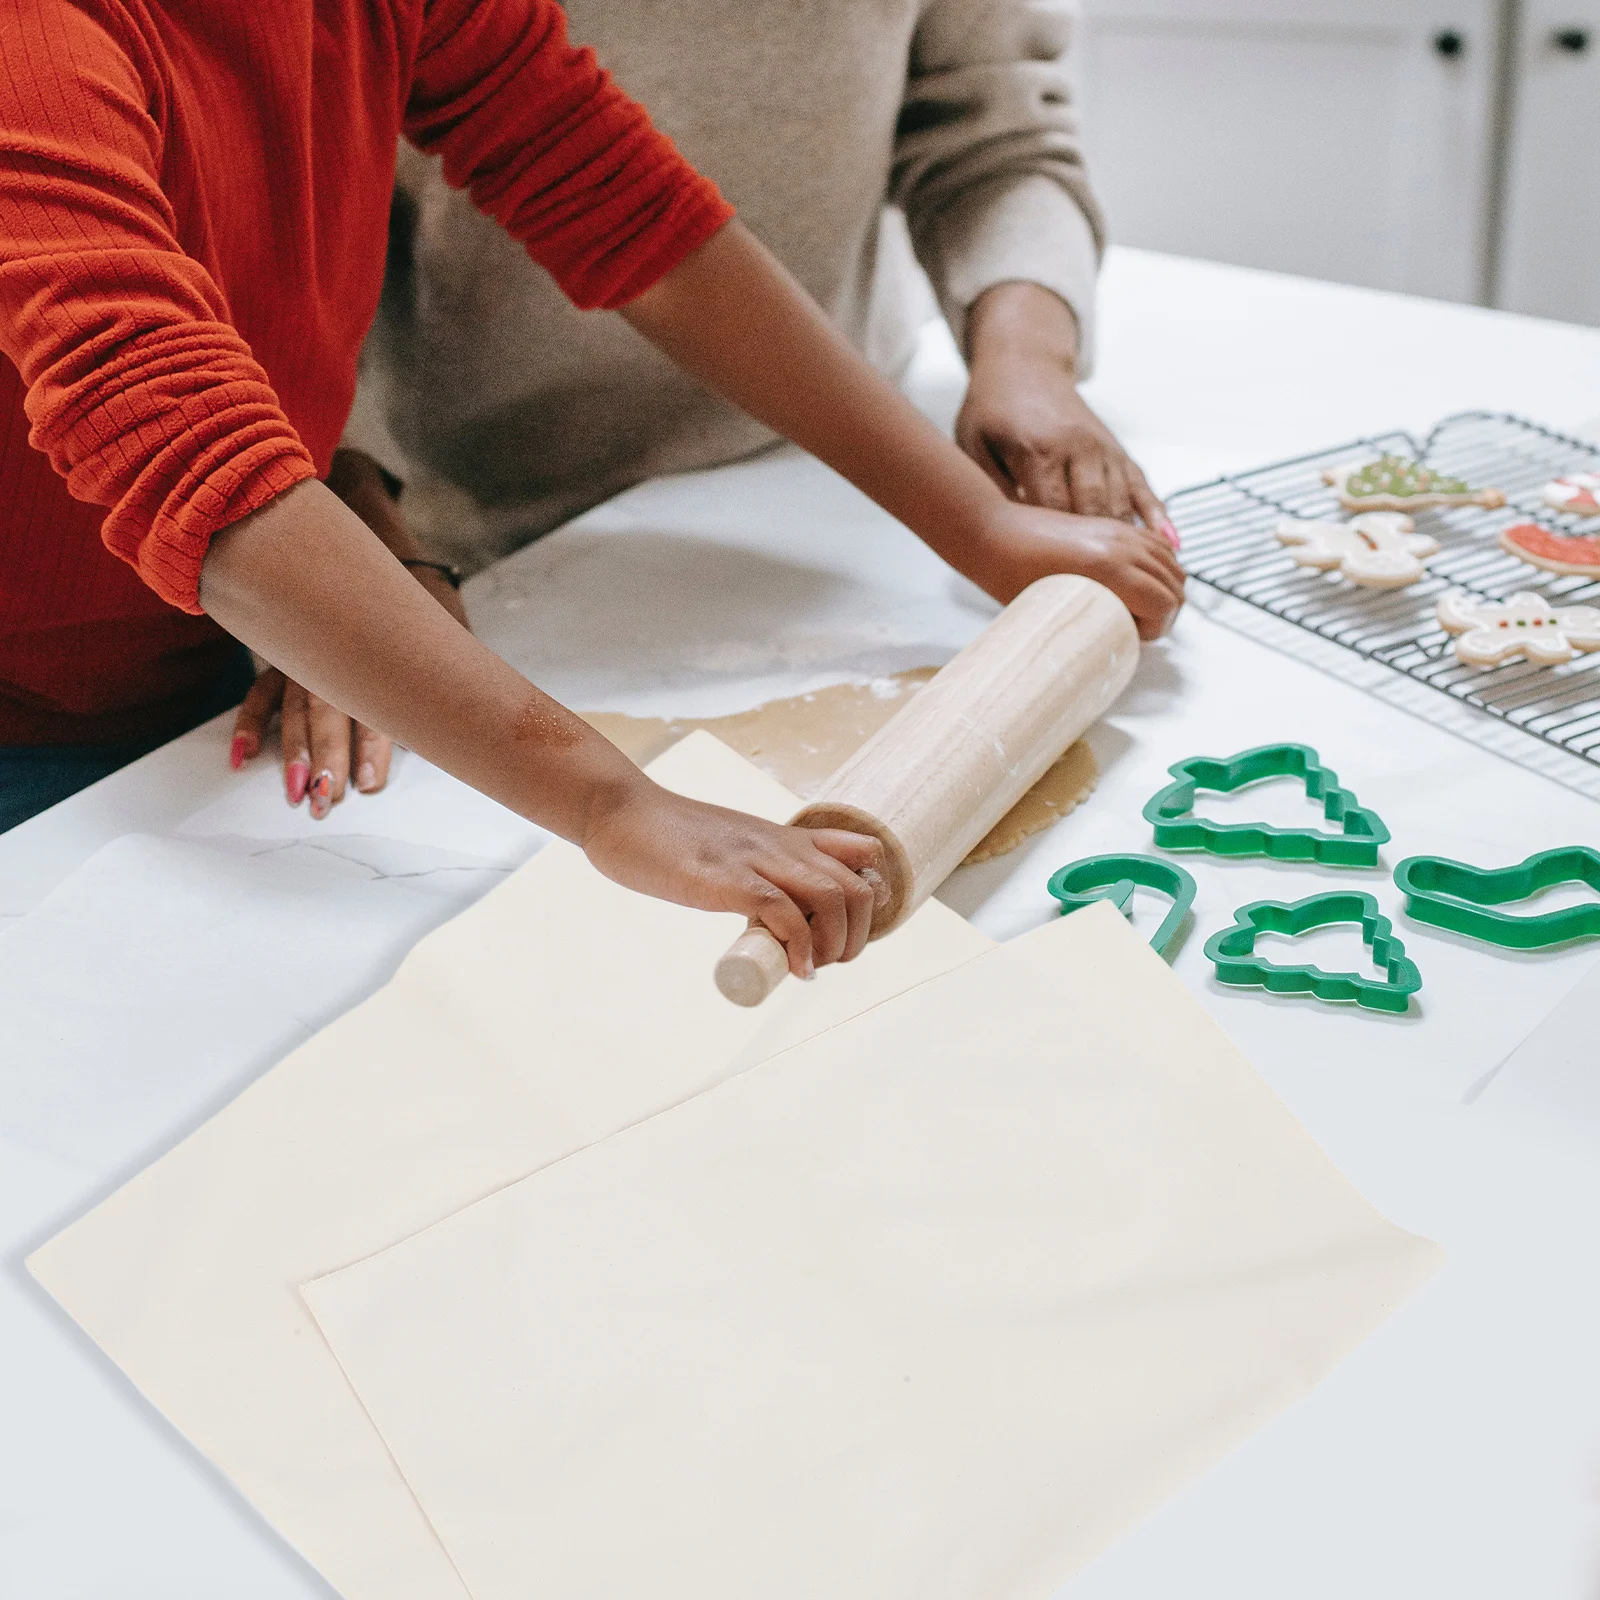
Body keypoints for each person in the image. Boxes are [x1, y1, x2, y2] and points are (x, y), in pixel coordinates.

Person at [0, 0, 1182, 980]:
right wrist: (610, 804)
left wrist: (974, 521)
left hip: (199, 650)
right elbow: (169, 434)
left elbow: (615, 193)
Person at [254, 0, 1179, 807]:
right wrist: (341, 509)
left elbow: (616, 199)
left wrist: (1020, 377)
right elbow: (273, 225)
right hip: (464, 517)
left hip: (830, 476)